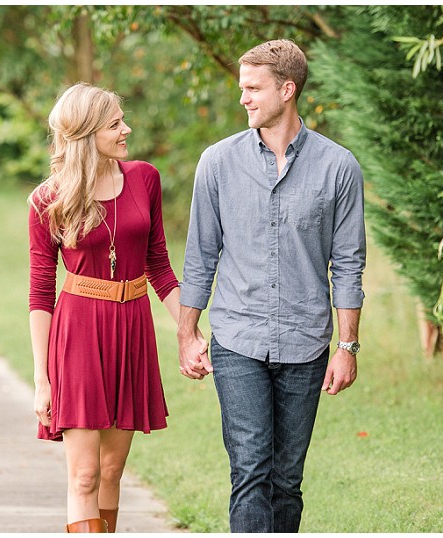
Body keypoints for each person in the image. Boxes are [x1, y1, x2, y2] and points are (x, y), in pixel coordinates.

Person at [177, 39, 366, 532]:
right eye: (242, 87)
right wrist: (187, 333)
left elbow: (347, 264)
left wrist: (346, 346)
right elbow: (200, 255)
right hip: (237, 340)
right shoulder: (217, 164)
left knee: (286, 479)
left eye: (252, 88)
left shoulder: (338, 167)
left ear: (287, 89)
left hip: (306, 345)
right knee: (251, 469)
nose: (242, 98)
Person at [28, 83, 204, 533]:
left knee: (111, 471)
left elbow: (160, 266)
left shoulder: (145, 178)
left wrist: (191, 332)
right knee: (84, 473)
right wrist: (42, 378)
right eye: (114, 124)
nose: (127, 129)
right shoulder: (49, 199)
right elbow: (40, 291)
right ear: (87, 133)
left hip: (132, 328)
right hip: (80, 334)